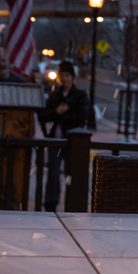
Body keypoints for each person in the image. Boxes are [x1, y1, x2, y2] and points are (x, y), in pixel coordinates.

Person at [40, 61, 91, 212]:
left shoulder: (80, 96)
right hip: (55, 141)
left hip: (74, 142)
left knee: (73, 174)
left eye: (68, 76)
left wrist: (60, 116)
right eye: (63, 76)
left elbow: (82, 116)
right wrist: (57, 112)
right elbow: (43, 116)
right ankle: (51, 203)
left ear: (73, 77)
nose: (65, 79)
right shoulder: (54, 95)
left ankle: (73, 205)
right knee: (53, 174)